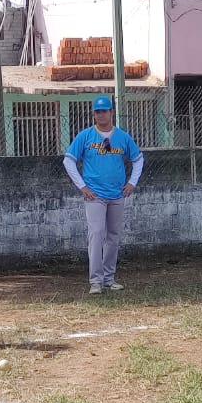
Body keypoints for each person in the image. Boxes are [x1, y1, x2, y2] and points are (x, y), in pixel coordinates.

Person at [63, 95, 145, 295]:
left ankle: (109, 278)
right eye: (97, 112)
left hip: (117, 194)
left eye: (104, 111)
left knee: (113, 236)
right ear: (94, 114)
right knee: (97, 234)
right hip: (94, 196)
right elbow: (68, 160)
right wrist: (82, 186)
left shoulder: (123, 137)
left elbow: (138, 159)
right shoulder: (86, 136)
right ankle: (96, 281)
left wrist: (132, 183)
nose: (101, 115)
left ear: (111, 113)